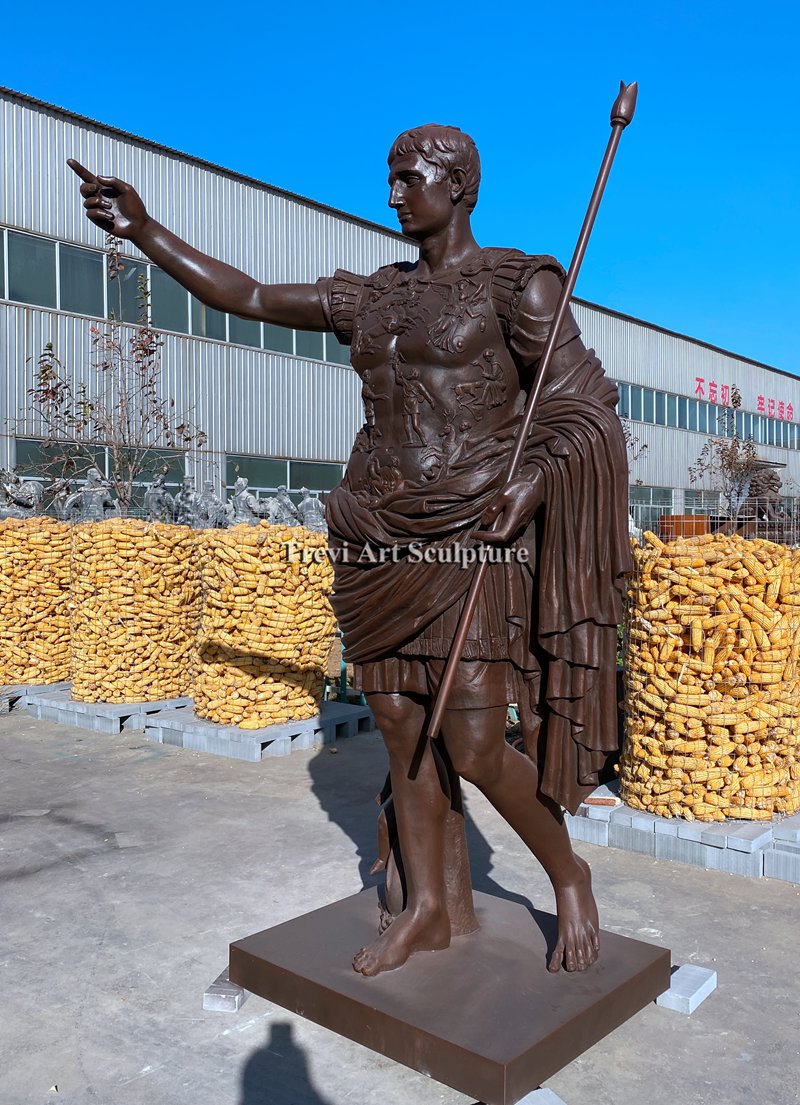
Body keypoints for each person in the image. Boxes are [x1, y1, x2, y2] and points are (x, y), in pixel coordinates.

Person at [69, 124, 631, 976]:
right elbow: (250, 295)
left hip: (470, 536)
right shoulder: (373, 296)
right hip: (376, 534)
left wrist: (537, 482)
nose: (395, 193)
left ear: (460, 184)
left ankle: (570, 873)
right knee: (400, 722)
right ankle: (430, 907)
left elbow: (584, 411)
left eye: (410, 178)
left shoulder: (522, 286)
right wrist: (146, 231)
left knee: (477, 744)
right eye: (390, 178)